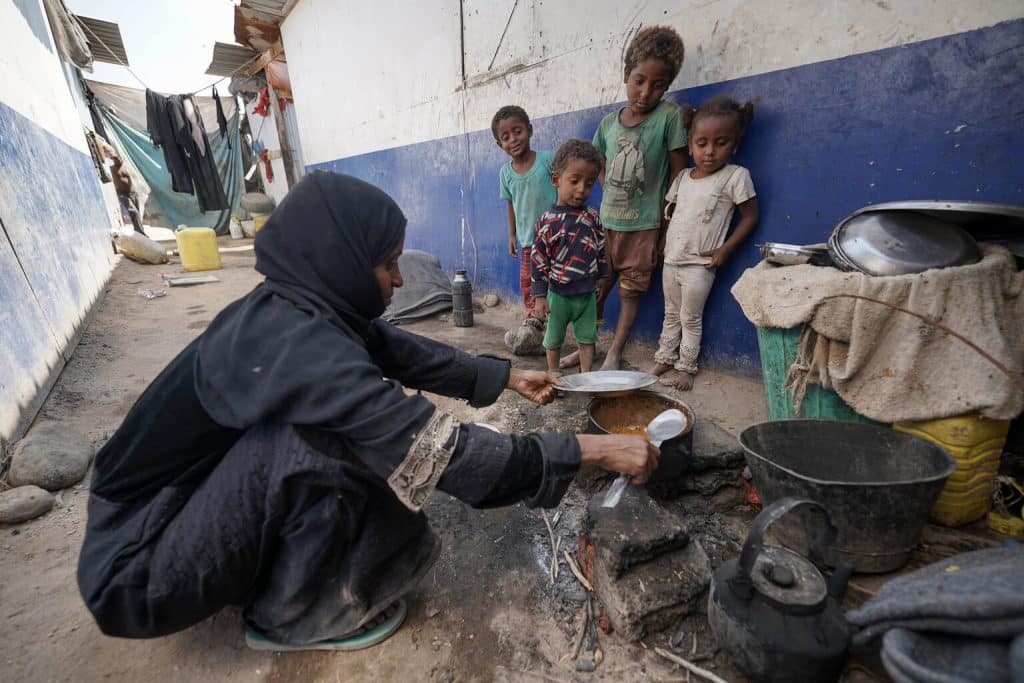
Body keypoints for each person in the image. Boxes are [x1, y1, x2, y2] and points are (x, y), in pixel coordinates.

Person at [76, 171, 658, 652]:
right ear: (343, 258)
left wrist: (504, 375)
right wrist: (592, 448)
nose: (400, 279)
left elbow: (390, 346)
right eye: (389, 265)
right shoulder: (296, 345)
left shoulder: (296, 305)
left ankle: (264, 565)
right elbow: (442, 454)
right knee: (328, 446)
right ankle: (287, 617)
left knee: (327, 440)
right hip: (134, 569)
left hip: (171, 512)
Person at [579, 25, 687, 371]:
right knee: (595, 291)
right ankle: (588, 347)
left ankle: (615, 352)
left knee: (630, 292)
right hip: (606, 224)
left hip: (644, 227)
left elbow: (678, 175)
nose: (645, 92)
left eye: (658, 85)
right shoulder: (609, 123)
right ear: (626, 75)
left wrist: (666, 227)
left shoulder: (669, 118)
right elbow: (596, 162)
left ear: (667, 87)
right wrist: (609, 186)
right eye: (639, 80)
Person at [650, 96, 759, 390]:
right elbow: (670, 214)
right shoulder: (683, 176)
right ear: (690, 144)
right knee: (670, 312)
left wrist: (725, 249)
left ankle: (686, 366)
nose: (709, 151)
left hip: (701, 264)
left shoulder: (735, 176)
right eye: (701, 143)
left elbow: (750, 216)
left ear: (734, 145)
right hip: (672, 258)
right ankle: (664, 356)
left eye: (720, 143)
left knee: (690, 317)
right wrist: (662, 243)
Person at [531, 140, 608, 375]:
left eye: (589, 183)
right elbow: (538, 260)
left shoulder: (592, 217)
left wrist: (602, 279)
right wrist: (539, 296)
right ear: (556, 180)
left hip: (586, 295)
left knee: (587, 338)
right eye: (574, 181)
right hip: (558, 295)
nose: (581, 189)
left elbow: (601, 249)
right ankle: (554, 374)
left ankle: (587, 376)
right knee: (553, 338)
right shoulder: (547, 221)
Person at [494, 105, 559, 329]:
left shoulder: (548, 160)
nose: (513, 139)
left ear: (530, 130)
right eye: (505, 137)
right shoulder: (505, 173)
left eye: (518, 131)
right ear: (499, 144)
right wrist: (512, 235)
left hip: (557, 238)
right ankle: (535, 322)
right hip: (528, 242)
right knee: (529, 282)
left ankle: (556, 321)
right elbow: (511, 203)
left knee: (557, 280)